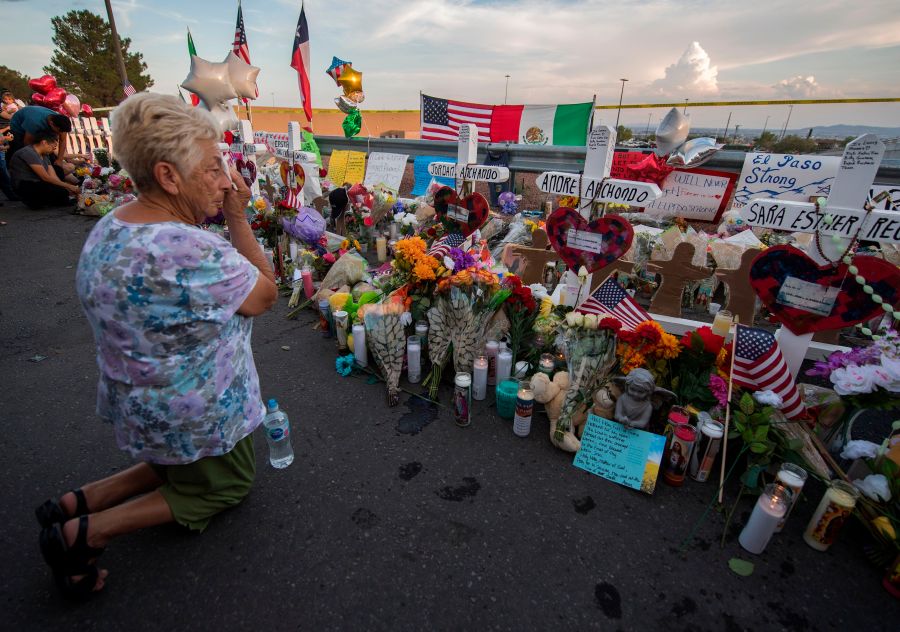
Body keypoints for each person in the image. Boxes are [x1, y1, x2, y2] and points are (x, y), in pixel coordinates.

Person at [36, 93, 277, 599]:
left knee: (178, 466)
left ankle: (78, 500)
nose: (226, 181)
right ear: (168, 176)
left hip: (138, 400)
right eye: (213, 169)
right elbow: (264, 293)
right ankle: (86, 531)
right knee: (228, 483)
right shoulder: (187, 247)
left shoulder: (113, 224)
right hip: (194, 410)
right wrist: (237, 218)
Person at [8, 131, 79, 209]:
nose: (53, 149)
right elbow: (45, 177)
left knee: (58, 172)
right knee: (56, 191)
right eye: (53, 147)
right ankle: (35, 201)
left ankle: (56, 198)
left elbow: (53, 176)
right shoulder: (28, 153)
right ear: (44, 142)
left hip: (38, 182)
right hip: (26, 185)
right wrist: (68, 186)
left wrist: (65, 188)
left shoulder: (45, 155)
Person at [7, 104, 72, 166]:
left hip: (37, 121)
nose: (60, 134)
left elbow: (62, 140)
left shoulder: (61, 123)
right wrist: (36, 159)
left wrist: (59, 160)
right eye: (58, 132)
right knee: (20, 150)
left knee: (47, 154)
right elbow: (27, 143)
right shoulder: (35, 121)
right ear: (51, 124)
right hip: (18, 127)